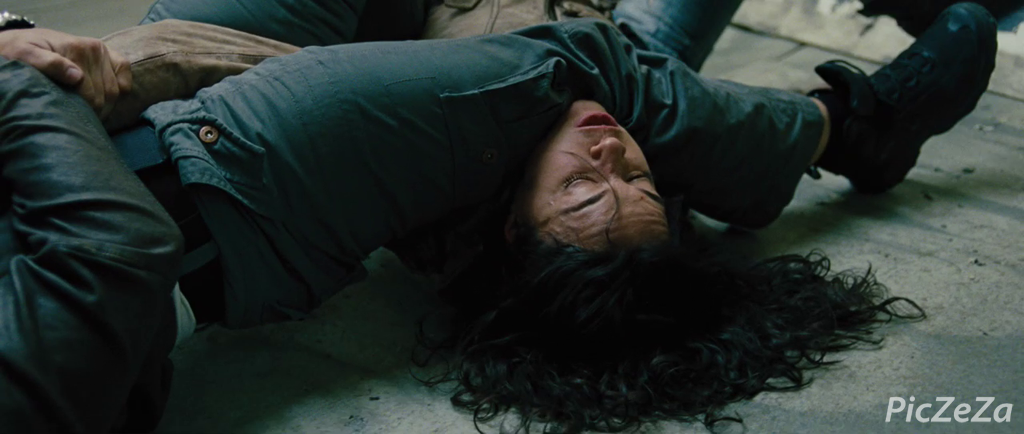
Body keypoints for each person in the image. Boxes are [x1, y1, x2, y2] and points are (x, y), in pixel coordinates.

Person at [0, 1, 998, 433]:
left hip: (156, 149)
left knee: (571, 67)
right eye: (635, 181)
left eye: (601, 185)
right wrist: (19, 70)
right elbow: (108, 259)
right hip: (218, 182)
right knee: (588, 62)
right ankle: (842, 128)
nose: (609, 154)